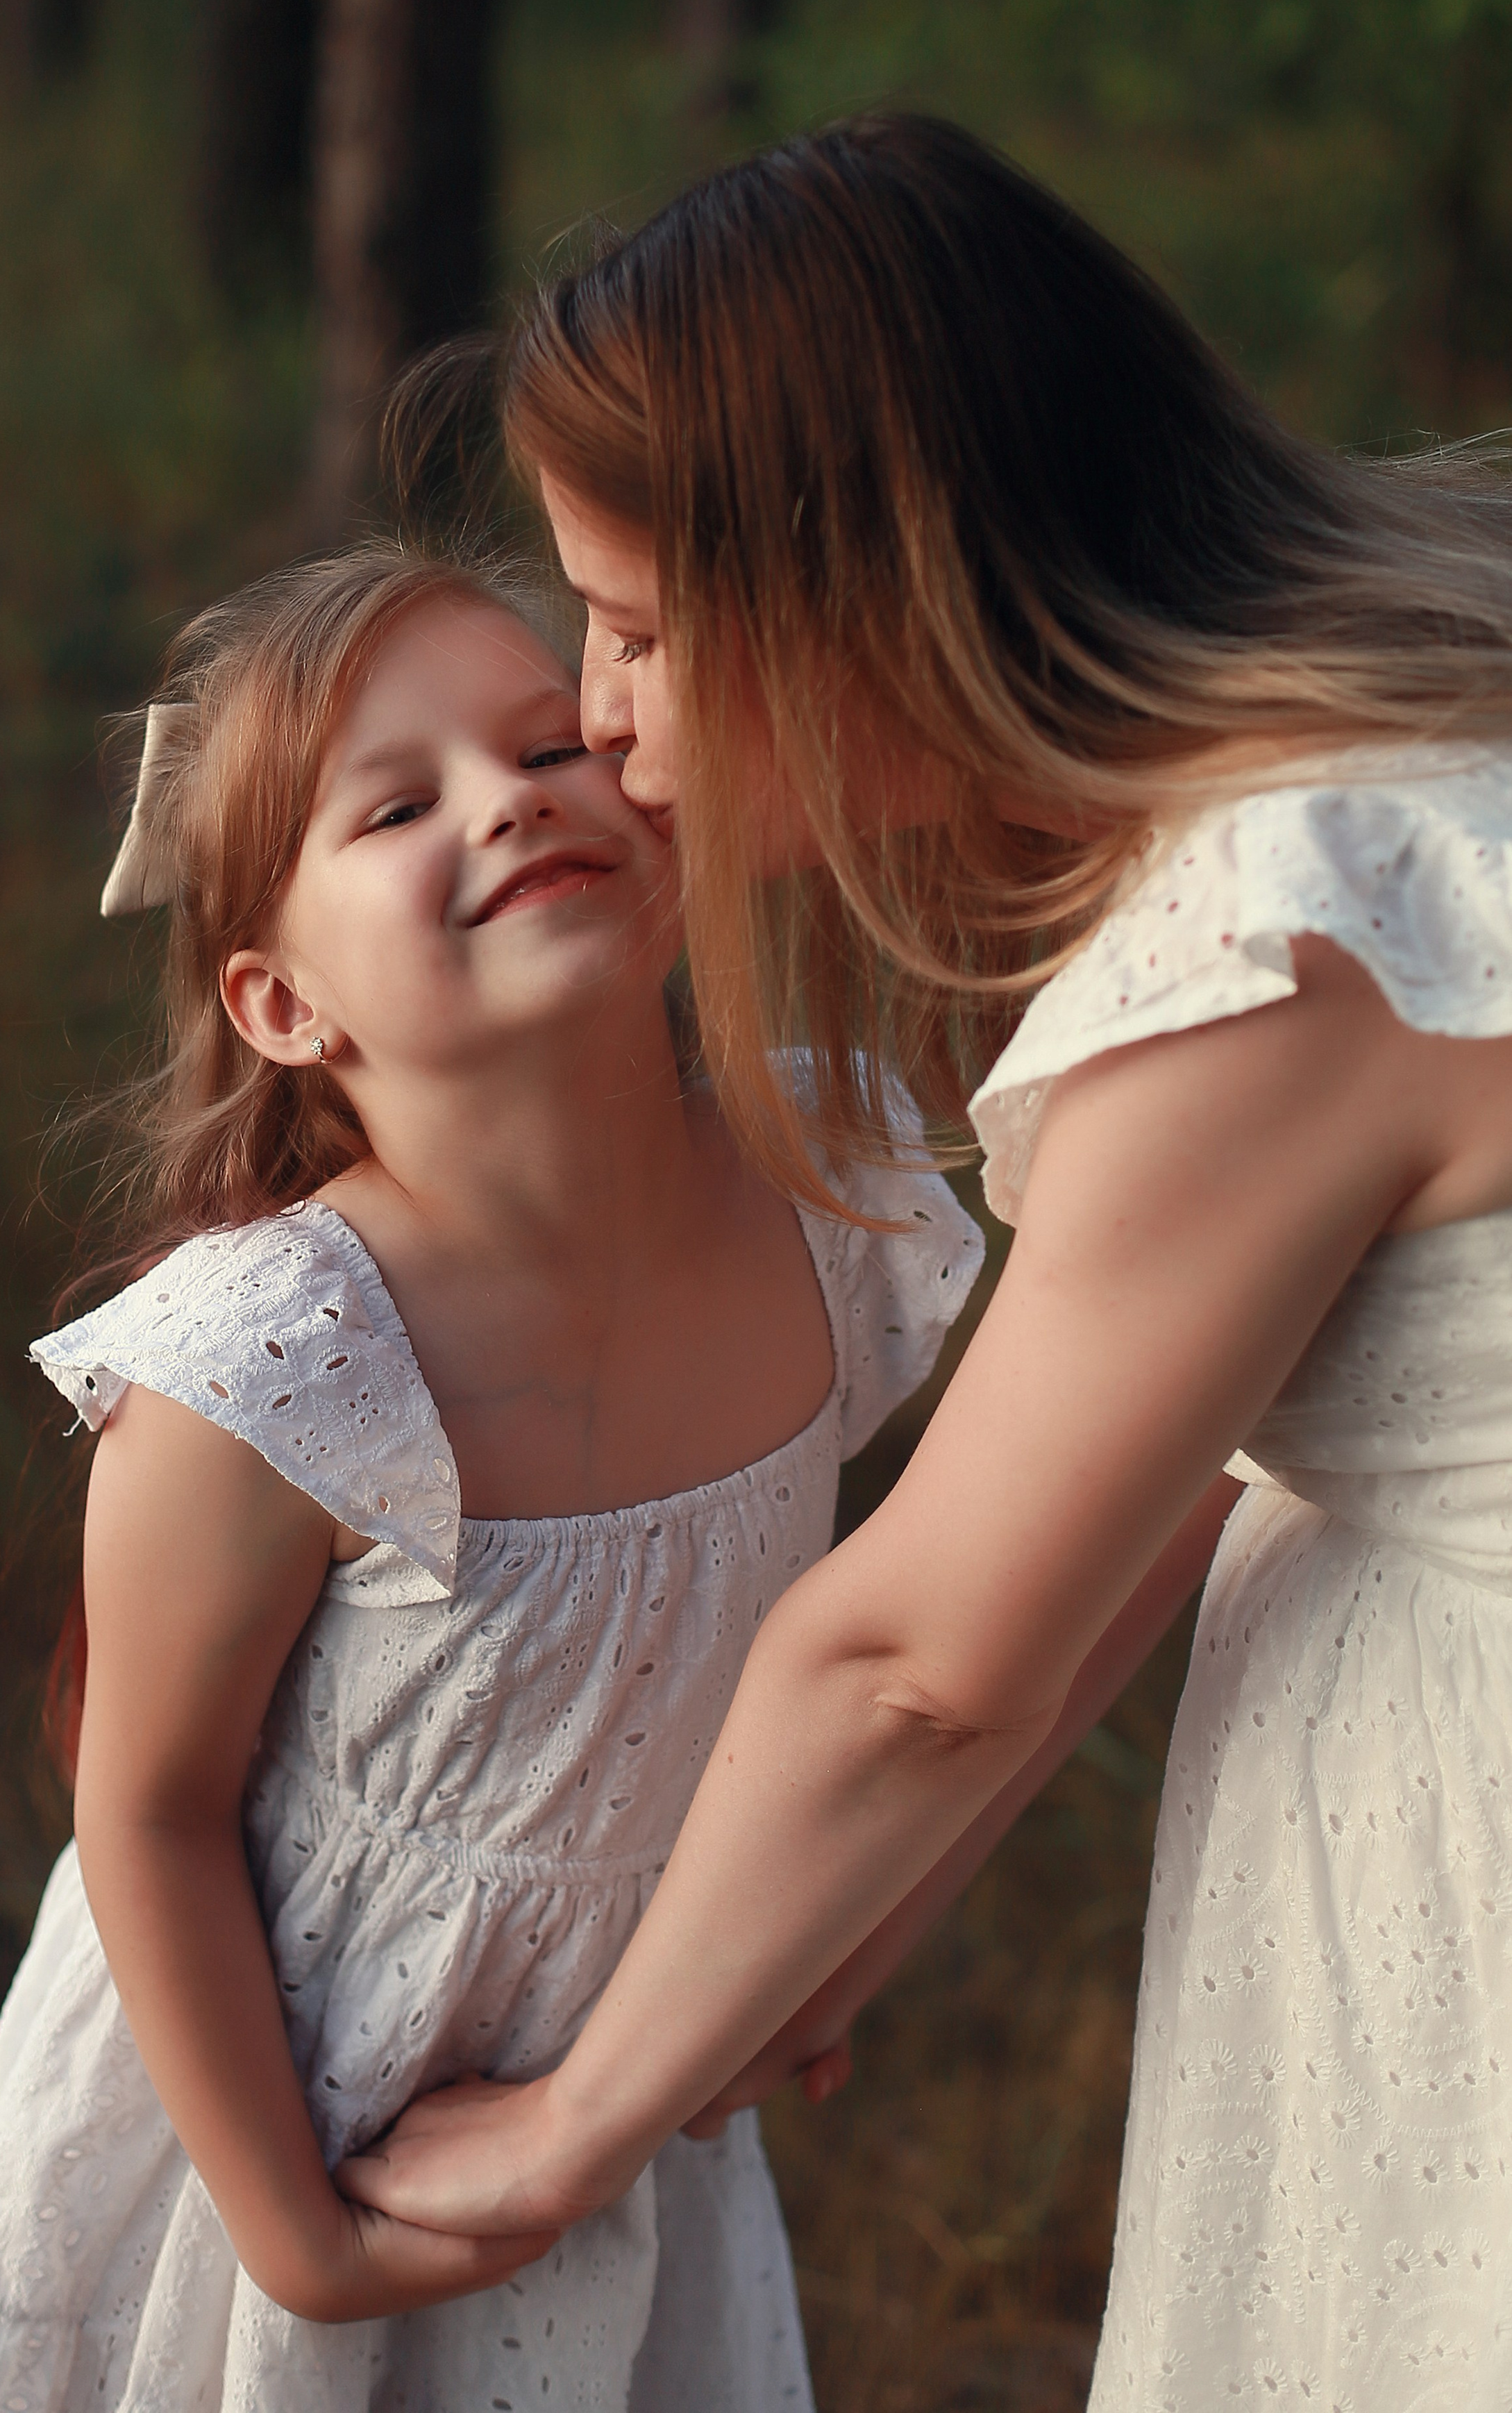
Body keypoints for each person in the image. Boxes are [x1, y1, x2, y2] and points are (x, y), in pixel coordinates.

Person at [339, 117, 1512, 2410]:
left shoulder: (1275, 935)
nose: (600, 710)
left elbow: (912, 1659)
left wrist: (581, 2116)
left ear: (888, 586)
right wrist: (838, 1922)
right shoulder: (1412, 730)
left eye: (652, 627)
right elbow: (1166, 1479)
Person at [0, 544, 1005, 2413]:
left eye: (556, 743)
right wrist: (297, 2239)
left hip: (613, 2098)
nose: (515, 799)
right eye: (399, 804)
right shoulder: (277, 1367)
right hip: (274, 2136)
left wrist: (809, 1938)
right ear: (281, 1006)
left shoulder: (830, 1193)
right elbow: (147, 1811)